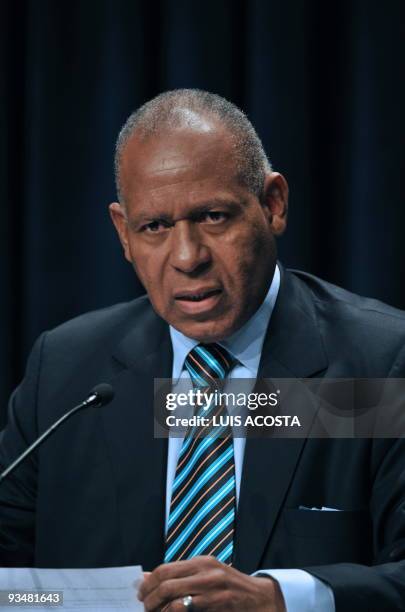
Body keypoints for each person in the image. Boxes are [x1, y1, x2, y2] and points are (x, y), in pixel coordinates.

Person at [0, 89, 404, 612]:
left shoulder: (380, 362)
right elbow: (11, 576)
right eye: (155, 227)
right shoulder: (67, 370)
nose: (187, 258)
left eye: (213, 217)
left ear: (273, 204)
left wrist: (283, 598)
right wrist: (50, 599)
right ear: (124, 234)